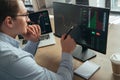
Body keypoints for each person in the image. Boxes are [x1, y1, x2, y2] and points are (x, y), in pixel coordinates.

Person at [0, 0, 76, 80]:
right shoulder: (13, 58)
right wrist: (67, 52)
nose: (28, 19)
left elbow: (21, 57)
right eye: (25, 15)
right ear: (9, 22)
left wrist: (33, 41)